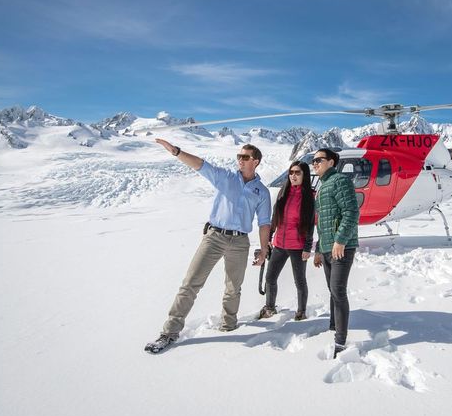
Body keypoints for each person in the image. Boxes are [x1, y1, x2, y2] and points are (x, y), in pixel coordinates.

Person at [145, 141, 272, 354]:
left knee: (234, 288)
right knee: (191, 283)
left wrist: (263, 250)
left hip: (240, 241)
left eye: (245, 157)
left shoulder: (262, 191)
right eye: (238, 156)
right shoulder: (226, 177)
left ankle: (229, 326)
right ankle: (169, 332)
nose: (240, 159)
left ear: (256, 161)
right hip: (215, 237)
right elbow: (201, 165)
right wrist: (177, 152)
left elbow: (264, 222)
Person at [311, 148, 359, 358]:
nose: (315, 163)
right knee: (332, 290)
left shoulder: (340, 180)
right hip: (328, 247)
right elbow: (324, 221)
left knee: (338, 291)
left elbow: (351, 211)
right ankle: (333, 326)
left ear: (331, 162)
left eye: (319, 160)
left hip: (342, 247)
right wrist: (319, 249)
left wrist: (340, 240)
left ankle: (340, 340)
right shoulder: (323, 186)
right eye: (313, 161)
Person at [257, 161, 315, 321]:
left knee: (300, 281)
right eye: (291, 172)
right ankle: (269, 307)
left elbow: (310, 224)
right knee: (270, 278)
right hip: (279, 245)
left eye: (297, 173)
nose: (293, 176)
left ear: (304, 175)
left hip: (298, 246)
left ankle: (301, 312)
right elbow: (275, 217)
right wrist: (269, 237)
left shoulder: (309, 196)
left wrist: (307, 247)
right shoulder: (284, 192)